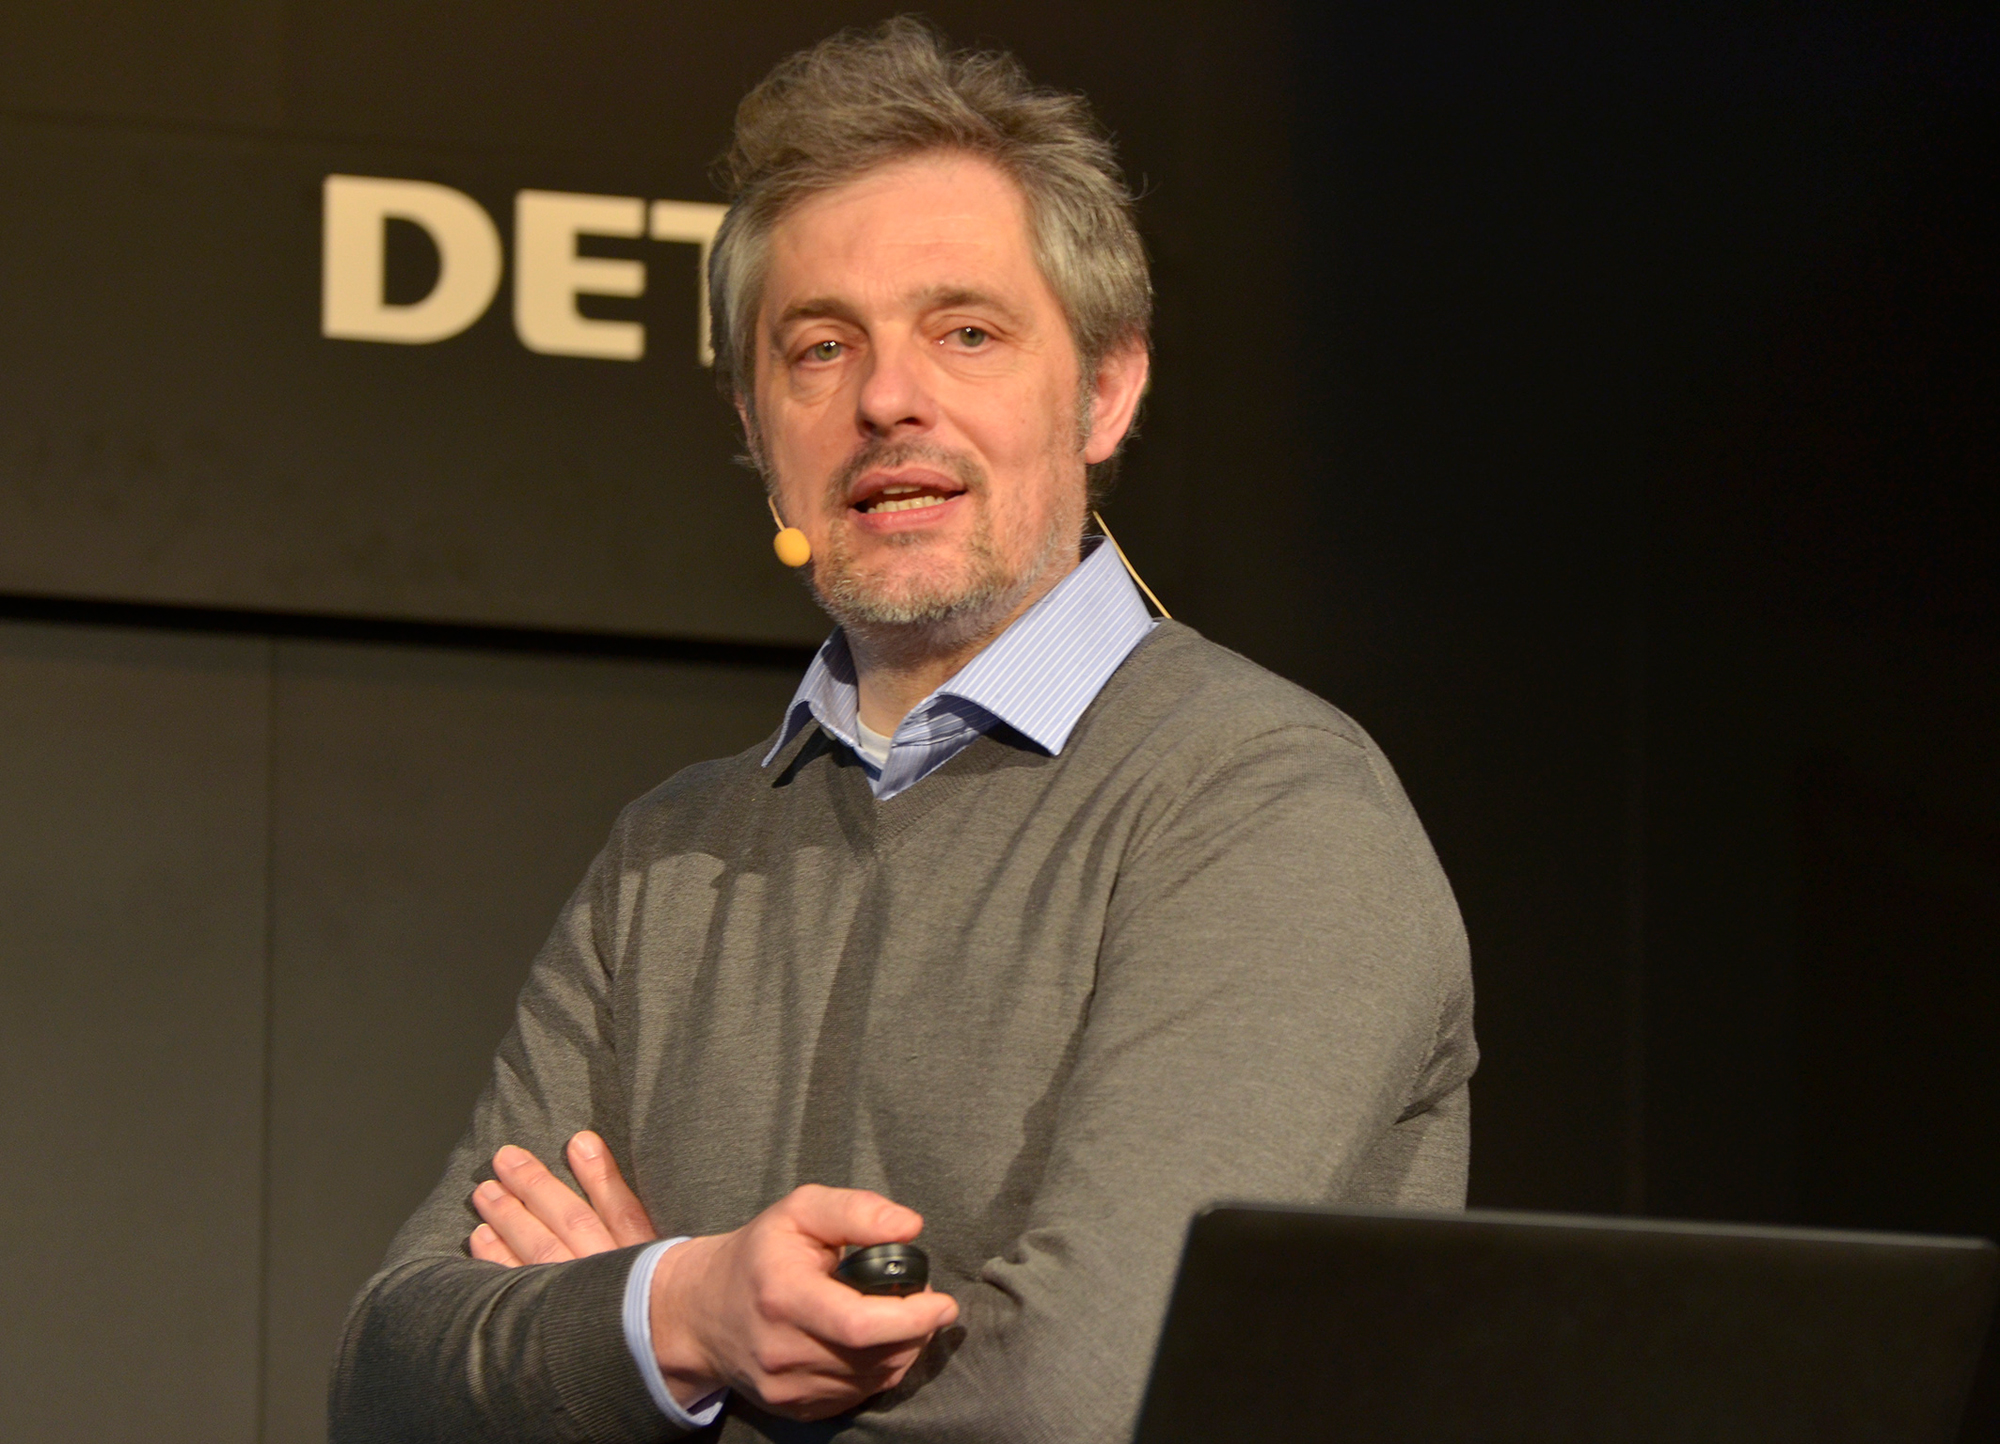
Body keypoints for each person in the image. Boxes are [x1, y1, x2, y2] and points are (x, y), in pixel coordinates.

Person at [330, 18, 1476, 1443]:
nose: (887, 398)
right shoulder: (668, 860)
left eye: (967, 332)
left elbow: (1081, 1405)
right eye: (821, 348)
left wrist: (644, 1368)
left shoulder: (1266, 806)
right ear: (756, 426)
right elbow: (391, 1381)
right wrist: (686, 1308)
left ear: (1105, 390)